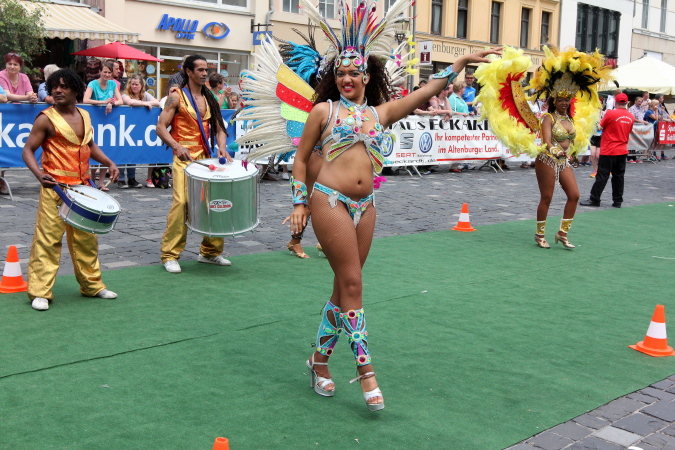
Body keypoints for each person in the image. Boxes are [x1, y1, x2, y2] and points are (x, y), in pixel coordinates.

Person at [284, 0, 499, 411]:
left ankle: (318, 361)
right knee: (353, 285)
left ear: (367, 75)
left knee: (343, 287)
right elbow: (300, 159)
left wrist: (459, 65)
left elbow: (425, 91)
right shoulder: (323, 111)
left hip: (366, 206)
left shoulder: (379, 113)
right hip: (329, 201)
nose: (347, 78)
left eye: (354, 72)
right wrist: (299, 204)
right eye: (340, 73)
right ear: (334, 77)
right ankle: (367, 373)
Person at [476, 46, 611, 249]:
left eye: (567, 99)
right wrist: (556, 151)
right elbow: (547, 141)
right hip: (547, 159)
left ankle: (562, 233)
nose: (564, 103)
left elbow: (571, 140)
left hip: (563, 160)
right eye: (561, 100)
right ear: (554, 100)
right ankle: (539, 234)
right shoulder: (548, 117)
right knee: (547, 197)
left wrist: (571, 152)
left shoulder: (569, 118)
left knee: (574, 195)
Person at [20, 69, 120, 311]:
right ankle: (40, 292)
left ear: (76, 90)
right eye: (54, 86)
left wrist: (108, 161)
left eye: (64, 86)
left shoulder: (85, 115)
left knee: (87, 240)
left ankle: (92, 286)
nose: (57, 90)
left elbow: (89, 144)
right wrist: (39, 175)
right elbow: (27, 150)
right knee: (48, 240)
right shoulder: (45, 118)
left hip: (82, 188)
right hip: (55, 189)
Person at [156, 54, 233, 274]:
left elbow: (219, 128)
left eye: (206, 69)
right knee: (182, 203)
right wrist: (176, 145)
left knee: (213, 203)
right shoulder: (176, 96)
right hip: (184, 160)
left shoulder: (210, 98)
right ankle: (170, 254)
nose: (204, 73)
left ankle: (210, 252)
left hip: (205, 159)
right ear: (188, 72)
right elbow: (160, 127)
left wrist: (222, 147)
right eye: (200, 69)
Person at [580, 93, 634, 208]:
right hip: (622, 150)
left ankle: (595, 199)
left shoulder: (610, 113)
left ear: (615, 102)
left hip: (609, 149)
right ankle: (617, 201)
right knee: (619, 176)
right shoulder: (630, 116)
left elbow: (600, 127)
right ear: (626, 103)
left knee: (602, 175)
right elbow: (629, 131)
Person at [83, 61, 123, 190]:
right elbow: (85, 100)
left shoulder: (112, 84)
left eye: (109, 72)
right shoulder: (93, 84)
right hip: (95, 120)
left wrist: (111, 103)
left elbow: (120, 100)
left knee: (105, 150)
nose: (107, 74)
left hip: (107, 120)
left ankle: (101, 183)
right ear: (100, 72)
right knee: (94, 149)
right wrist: (103, 102)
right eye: (105, 72)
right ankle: (91, 181)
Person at [120, 74, 160, 189]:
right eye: (132, 84)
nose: (134, 86)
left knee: (133, 152)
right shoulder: (125, 95)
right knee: (122, 152)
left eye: (136, 84)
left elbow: (157, 102)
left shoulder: (145, 95)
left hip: (137, 128)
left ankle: (131, 178)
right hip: (124, 127)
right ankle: (121, 179)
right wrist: (144, 104)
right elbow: (130, 102)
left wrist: (149, 102)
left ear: (141, 85)